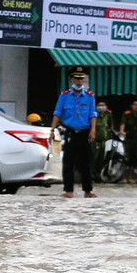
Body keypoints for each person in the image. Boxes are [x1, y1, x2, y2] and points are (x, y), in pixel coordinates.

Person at [51, 66, 98, 198]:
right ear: (71, 79)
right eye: (76, 78)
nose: (79, 81)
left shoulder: (89, 96)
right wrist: (52, 129)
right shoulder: (64, 95)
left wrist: (93, 130)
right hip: (70, 132)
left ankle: (88, 191)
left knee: (86, 163)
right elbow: (57, 113)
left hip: (85, 132)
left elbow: (92, 115)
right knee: (68, 162)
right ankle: (68, 190)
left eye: (81, 78)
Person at [93, 99, 114, 181]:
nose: (101, 107)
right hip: (94, 141)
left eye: (103, 105)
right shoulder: (93, 115)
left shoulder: (108, 115)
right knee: (94, 158)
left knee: (101, 159)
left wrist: (111, 133)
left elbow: (110, 126)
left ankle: (98, 175)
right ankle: (92, 174)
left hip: (103, 141)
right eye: (99, 105)